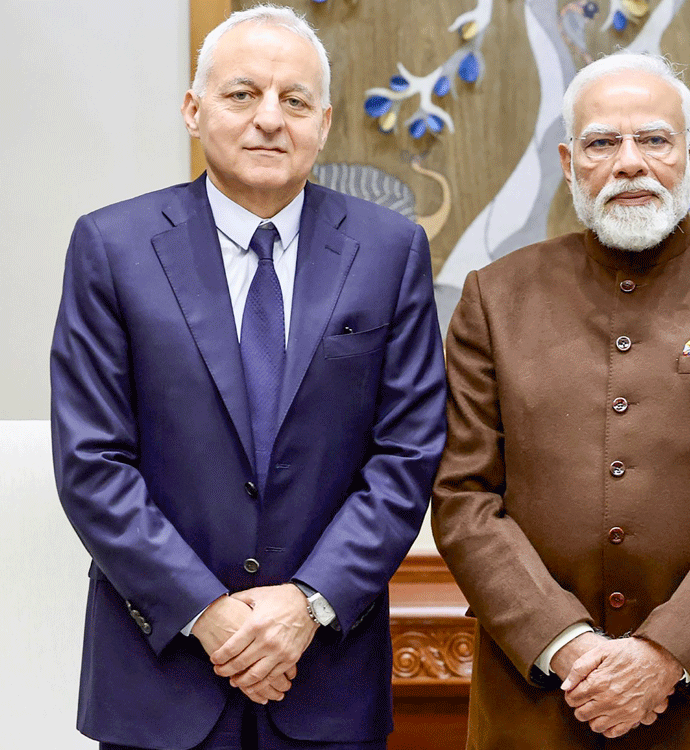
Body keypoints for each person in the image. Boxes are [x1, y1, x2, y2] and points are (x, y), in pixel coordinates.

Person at [50, 6, 446, 749]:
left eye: (294, 100)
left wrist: (307, 604)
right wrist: (209, 612)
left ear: (323, 123)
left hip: (325, 677)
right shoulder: (111, 246)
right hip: (159, 680)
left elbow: (408, 453)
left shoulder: (390, 251)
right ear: (194, 110)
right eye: (242, 94)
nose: (270, 119)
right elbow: (92, 463)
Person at [430, 52, 690, 748]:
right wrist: (568, 647)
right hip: (543, 700)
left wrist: (666, 651)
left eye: (653, 139)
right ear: (568, 163)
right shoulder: (495, 299)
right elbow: (463, 498)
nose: (629, 163)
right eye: (601, 143)